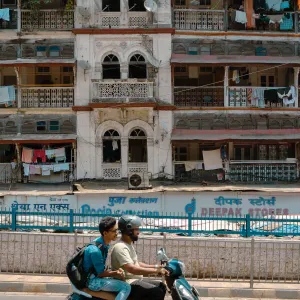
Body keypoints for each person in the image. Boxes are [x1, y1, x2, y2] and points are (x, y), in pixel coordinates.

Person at [111, 215, 168, 300]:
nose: (138, 232)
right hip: (127, 282)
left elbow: (136, 263)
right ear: (129, 230)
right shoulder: (120, 247)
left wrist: (156, 266)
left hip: (135, 280)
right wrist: (156, 271)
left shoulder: (128, 244)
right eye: (136, 229)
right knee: (156, 292)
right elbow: (132, 268)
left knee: (161, 286)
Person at [80, 216, 131, 300]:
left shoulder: (103, 245)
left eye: (117, 230)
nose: (117, 233)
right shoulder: (95, 250)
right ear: (105, 233)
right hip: (92, 282)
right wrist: (116, 272)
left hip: (95, 277)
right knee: (126, 287)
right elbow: (101, 273)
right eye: (114, 231)